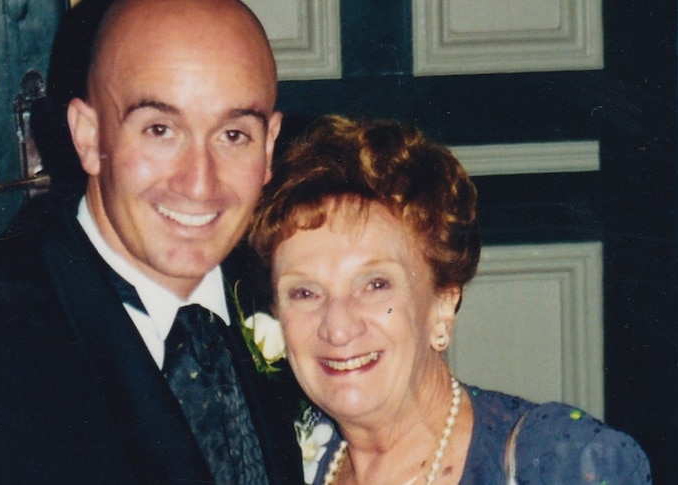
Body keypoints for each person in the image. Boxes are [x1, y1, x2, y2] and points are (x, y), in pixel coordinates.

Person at [0, 0, 304, 483]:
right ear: (88, 135)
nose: (199, 183)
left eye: (233, 134)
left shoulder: (304, 302)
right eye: (160, 130)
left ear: (268, 146)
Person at [249, 115, 652, 484]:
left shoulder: (562, 461)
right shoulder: (277, 460)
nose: (337, 325)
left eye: (375, 285)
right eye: (305, 292)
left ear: (443, 303)